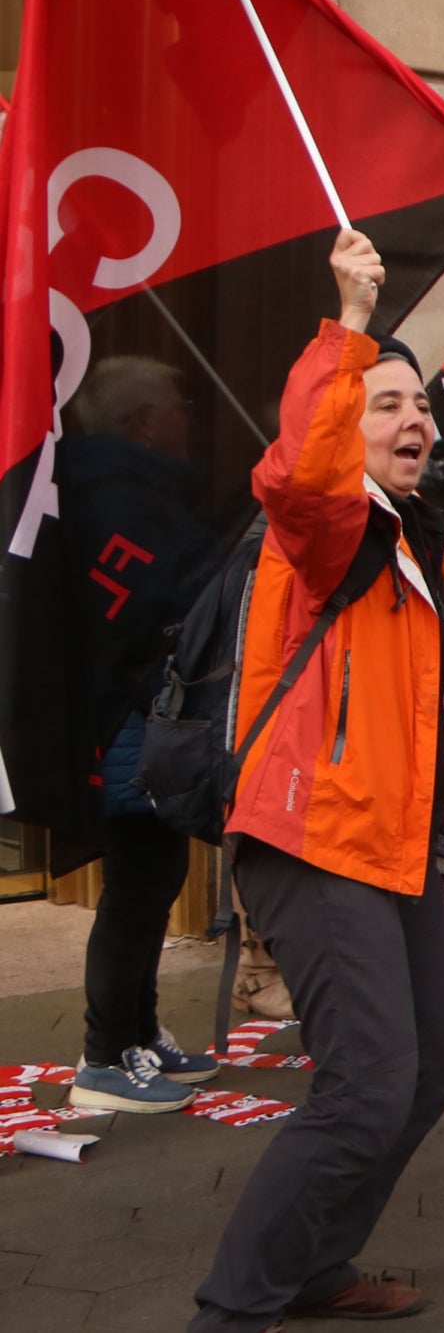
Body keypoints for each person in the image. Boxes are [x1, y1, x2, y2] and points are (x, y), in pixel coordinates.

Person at [188, 231, 444, 1332]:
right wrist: (349, 324)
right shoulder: (322, 529)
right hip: (312, 837)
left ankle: (315, 1266)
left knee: (423, 1074)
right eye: (386, 405)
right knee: (368, 1085)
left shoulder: (417, 539)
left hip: (396, 841)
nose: (415, 421)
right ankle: (235, 1308)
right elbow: (298, 470)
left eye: (420, 404)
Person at [62, 357, 226, 1113]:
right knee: (137, 888)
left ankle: (139, 1031)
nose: (190, 415)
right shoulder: (118, 496)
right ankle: (103, 1056)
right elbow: (153, 598)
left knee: (156, 882)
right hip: (126, 717)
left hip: (143, 718)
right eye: (177, 402)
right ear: (140, 421)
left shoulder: (135, 488)